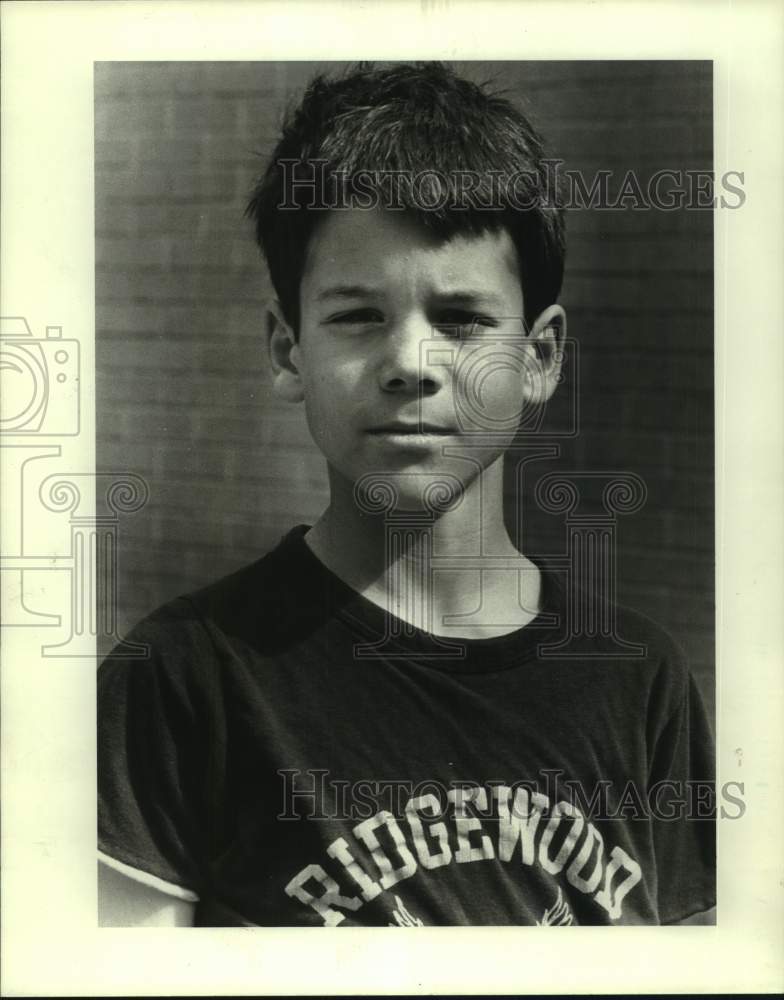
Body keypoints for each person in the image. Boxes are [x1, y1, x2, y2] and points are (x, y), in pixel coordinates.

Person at [97, 62, 716, 927]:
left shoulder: (641, 680)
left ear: (538, 357)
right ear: (287, 351)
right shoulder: (182, 677)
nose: (410, 365)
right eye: (357, 316)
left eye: (461, 320)